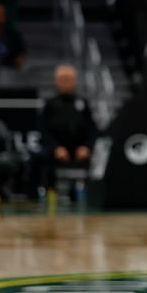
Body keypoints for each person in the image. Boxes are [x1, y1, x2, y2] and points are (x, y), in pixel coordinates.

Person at [35, 64, 98, 202]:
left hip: (79, 148)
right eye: (62, 79)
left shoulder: (82, 103)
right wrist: (56, 148)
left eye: (69, 79)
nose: (66, 83)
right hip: (56, 149)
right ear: (56, 81)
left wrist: (87, 147)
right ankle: (47, 195)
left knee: (97, 160)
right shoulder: (50, 105)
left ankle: (88, 197)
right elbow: (43, 131)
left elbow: (93, 130)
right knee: (40, 159)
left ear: (75, 81)